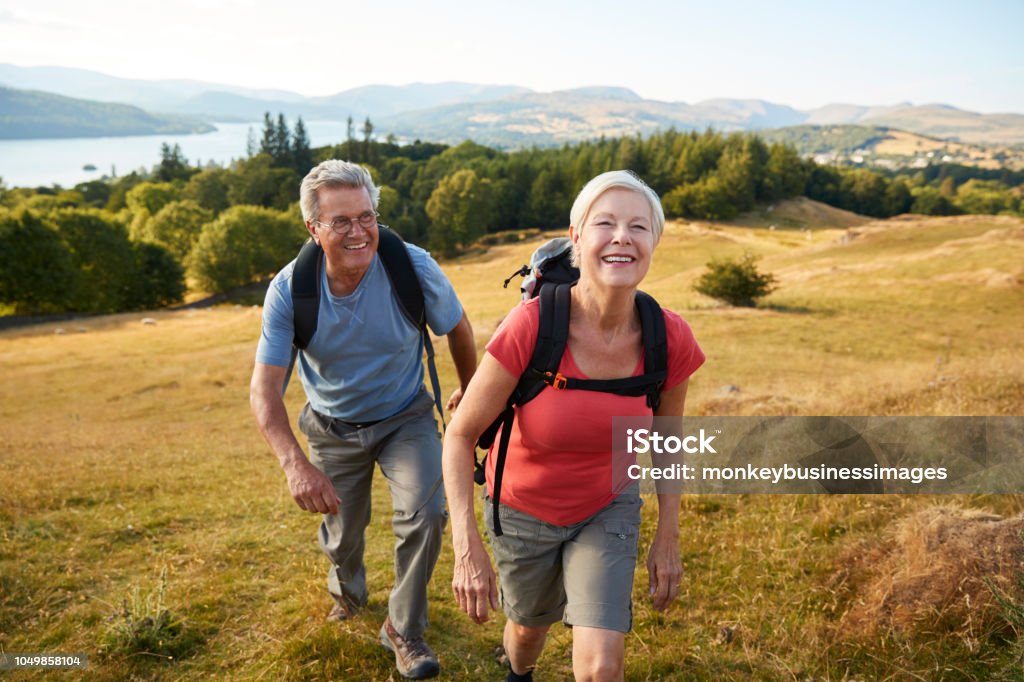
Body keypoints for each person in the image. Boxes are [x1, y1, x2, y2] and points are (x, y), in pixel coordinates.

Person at [442, 170, 704, 681]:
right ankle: (519, 672)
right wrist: (465, 545)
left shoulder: (668, 336)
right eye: (604, 223)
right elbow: (460, 434)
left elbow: (668, 441)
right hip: (521, 508)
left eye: (639, 226)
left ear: (654, 243)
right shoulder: (533, 325)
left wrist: (668, 533)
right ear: (577, 239)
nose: (622, 236)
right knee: (526, 635)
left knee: (603, 666)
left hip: (607, 506)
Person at [250, 160, 477, 680]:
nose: (359, 232)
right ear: (313, 228)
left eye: (366, 216)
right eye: (341, 221)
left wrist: (470, 393)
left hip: (406, 417)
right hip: (331, 427)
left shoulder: (411, 265)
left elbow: (458, 328)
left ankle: (403, 629)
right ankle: (348, 590)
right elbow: (264, 392)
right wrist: (295, 465)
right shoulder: (290, 290)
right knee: (343, 534)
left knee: (426, 515)